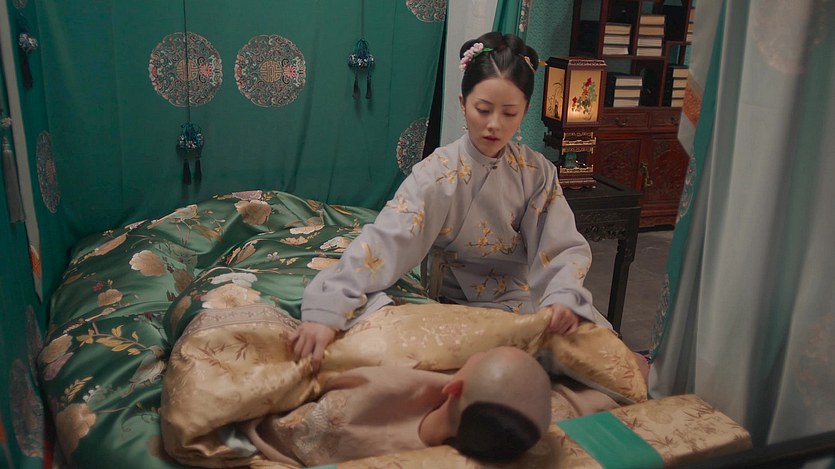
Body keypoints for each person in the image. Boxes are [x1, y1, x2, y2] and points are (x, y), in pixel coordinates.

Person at [293, 32, 600, 369]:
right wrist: (330, 307)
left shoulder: (536, 172)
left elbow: (560, 246)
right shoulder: (438, 173)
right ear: (462, 103)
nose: (494, 125)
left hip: (525, 299)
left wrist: (561, 297)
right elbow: (387, 240)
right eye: (483, 109)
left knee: (596, 356)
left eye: (509, 113)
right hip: (455, 303)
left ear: (525, 110)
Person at [226, 346, 609, 466]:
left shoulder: (351, 412)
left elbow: (274, 424)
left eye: (480, 356)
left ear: (453, 386)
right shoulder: (516, 426)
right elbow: (570, 403)